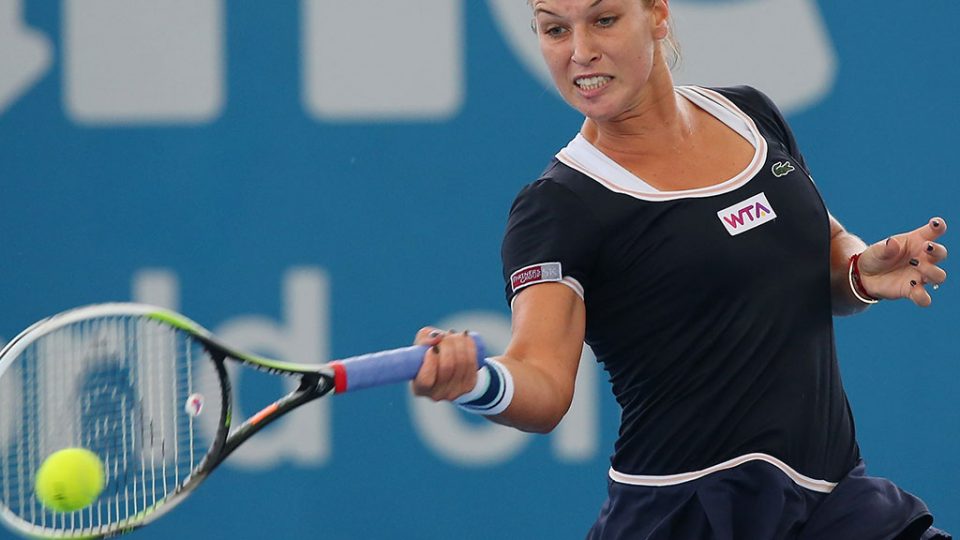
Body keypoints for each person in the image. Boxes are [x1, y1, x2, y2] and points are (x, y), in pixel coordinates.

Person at [411, 0, 950, 538]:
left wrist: (858, 271)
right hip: (687, 518)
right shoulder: (557, 208)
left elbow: (822, 247)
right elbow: (543, 382)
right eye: (555, 30)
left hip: (834, 506)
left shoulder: (751, 115)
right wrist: (476, 381)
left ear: (658, 15)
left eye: (603, 20)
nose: (580, 53)